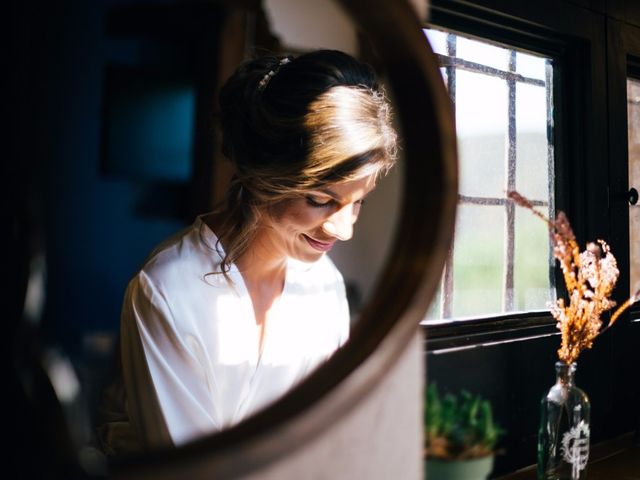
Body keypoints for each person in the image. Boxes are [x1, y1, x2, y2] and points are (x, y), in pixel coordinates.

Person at [97, 49, 398, 454]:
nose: (342, 230)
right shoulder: (169, 292)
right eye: (320, 199)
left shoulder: (325, 287)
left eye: (358, 202)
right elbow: (196, 468)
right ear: (265, 179)